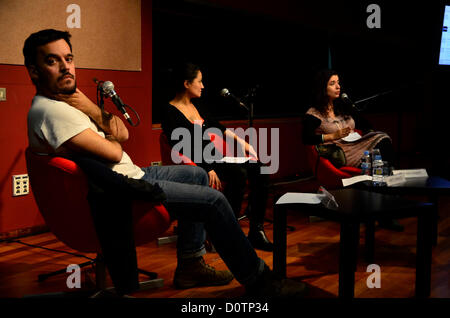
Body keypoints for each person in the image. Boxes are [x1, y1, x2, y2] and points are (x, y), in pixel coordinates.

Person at [23, 29, 306, 297]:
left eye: (68, 58)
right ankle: (260, 281)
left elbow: (123, 132)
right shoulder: (52, 112)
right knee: (213, 200)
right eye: (52, 61)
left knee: (196, 174)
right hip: (122, 187)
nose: (65, 67)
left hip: (127, 173)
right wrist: (108, 133)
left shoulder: (70, 103)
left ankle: (191, 264)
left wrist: (91, 109)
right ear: (34, 70)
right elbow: (114, 151)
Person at [161, 62, 273, 251]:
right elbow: (180, 146)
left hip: (217, 159)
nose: (203, 86)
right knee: (239, 174)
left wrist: (242, 142)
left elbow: (217, 127)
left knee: (262, 169)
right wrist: (206, 168)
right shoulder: (169, 112)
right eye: (200, 81)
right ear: (187, 83)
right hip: (197, 163)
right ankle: (226, 230)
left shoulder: (197, 105)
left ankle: (256, 230)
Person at [303, 69, 403, 231]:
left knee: (382, 139)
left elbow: (367, 126)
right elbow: (306, 139)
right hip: (341, 152)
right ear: (323, 88)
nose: (338, 87)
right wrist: (332, 135)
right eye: (332, 83)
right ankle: (387, 209)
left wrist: (353, 110)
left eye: (338, 83)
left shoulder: (343, 107)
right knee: (381, 147)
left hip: (358, 145)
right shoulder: (313, 114)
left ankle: (386, 201)